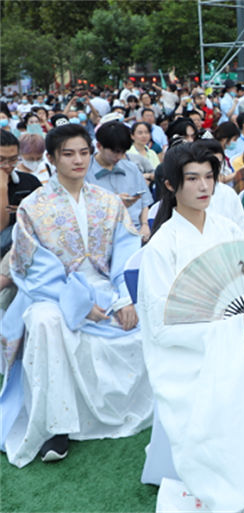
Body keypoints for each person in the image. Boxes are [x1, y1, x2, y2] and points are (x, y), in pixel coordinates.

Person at [138, 142, 244, 511]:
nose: (204, 187)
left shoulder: (229, 229)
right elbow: (161, 332)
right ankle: (239, 478)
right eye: (192, 179)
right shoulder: (161, 247)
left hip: (236, 338)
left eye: (209, 177)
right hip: (189, 357)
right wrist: (232, 330)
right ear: (171, 185)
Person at [1, 124, 152, 466]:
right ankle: (56, 425)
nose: (78, 160)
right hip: (50, 294)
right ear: (52, 159)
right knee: (45, 323)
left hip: (105, 287)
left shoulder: (108, 201)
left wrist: (124, 297)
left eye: (84, 152)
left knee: (147, 320)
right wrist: (80, 305)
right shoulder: (33, 205)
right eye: (68, 153)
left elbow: (126, 252)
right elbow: (31, 267)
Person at [86, 121, 153, 242]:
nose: (119, 156)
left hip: (136, 233)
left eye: (123, 152)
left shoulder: (131, 169)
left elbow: (144, 201)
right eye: (115, 152)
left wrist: (145, 225)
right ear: (99, 146)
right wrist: (113, 203)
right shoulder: (85, 172)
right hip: (103, 237)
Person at [1, 131, 42, 257]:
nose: (7, 166)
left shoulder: (29, 182)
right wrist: (2, 188)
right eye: (1, 160)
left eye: (13, 160)